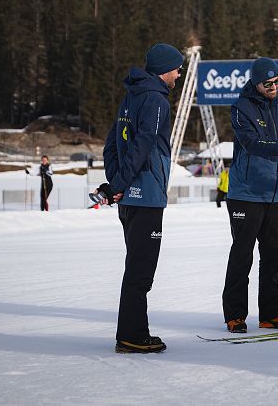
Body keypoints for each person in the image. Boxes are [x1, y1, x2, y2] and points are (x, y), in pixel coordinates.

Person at [97, 42, 184, 354]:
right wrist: (121, 183)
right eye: (177, 68)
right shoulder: (157, 99)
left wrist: (116, 184)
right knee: (141, 269)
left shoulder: (131, 95)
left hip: (129, 197)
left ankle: (131, 331)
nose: (179, 74)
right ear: (164, 69)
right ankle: (133, 335)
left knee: (135, 265)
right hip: (146, 195)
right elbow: (142, 146)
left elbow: (111, 145)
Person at [222, 57, 278, 333]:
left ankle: (271, 313)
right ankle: (235, 314)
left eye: (277, 82)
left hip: (274, 196)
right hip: (246, 194)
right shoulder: (241, 107)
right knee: (242, 255)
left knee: (273, 257)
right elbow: (251, 143)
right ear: (255, 83)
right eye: (267, 83)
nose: (273, 87)